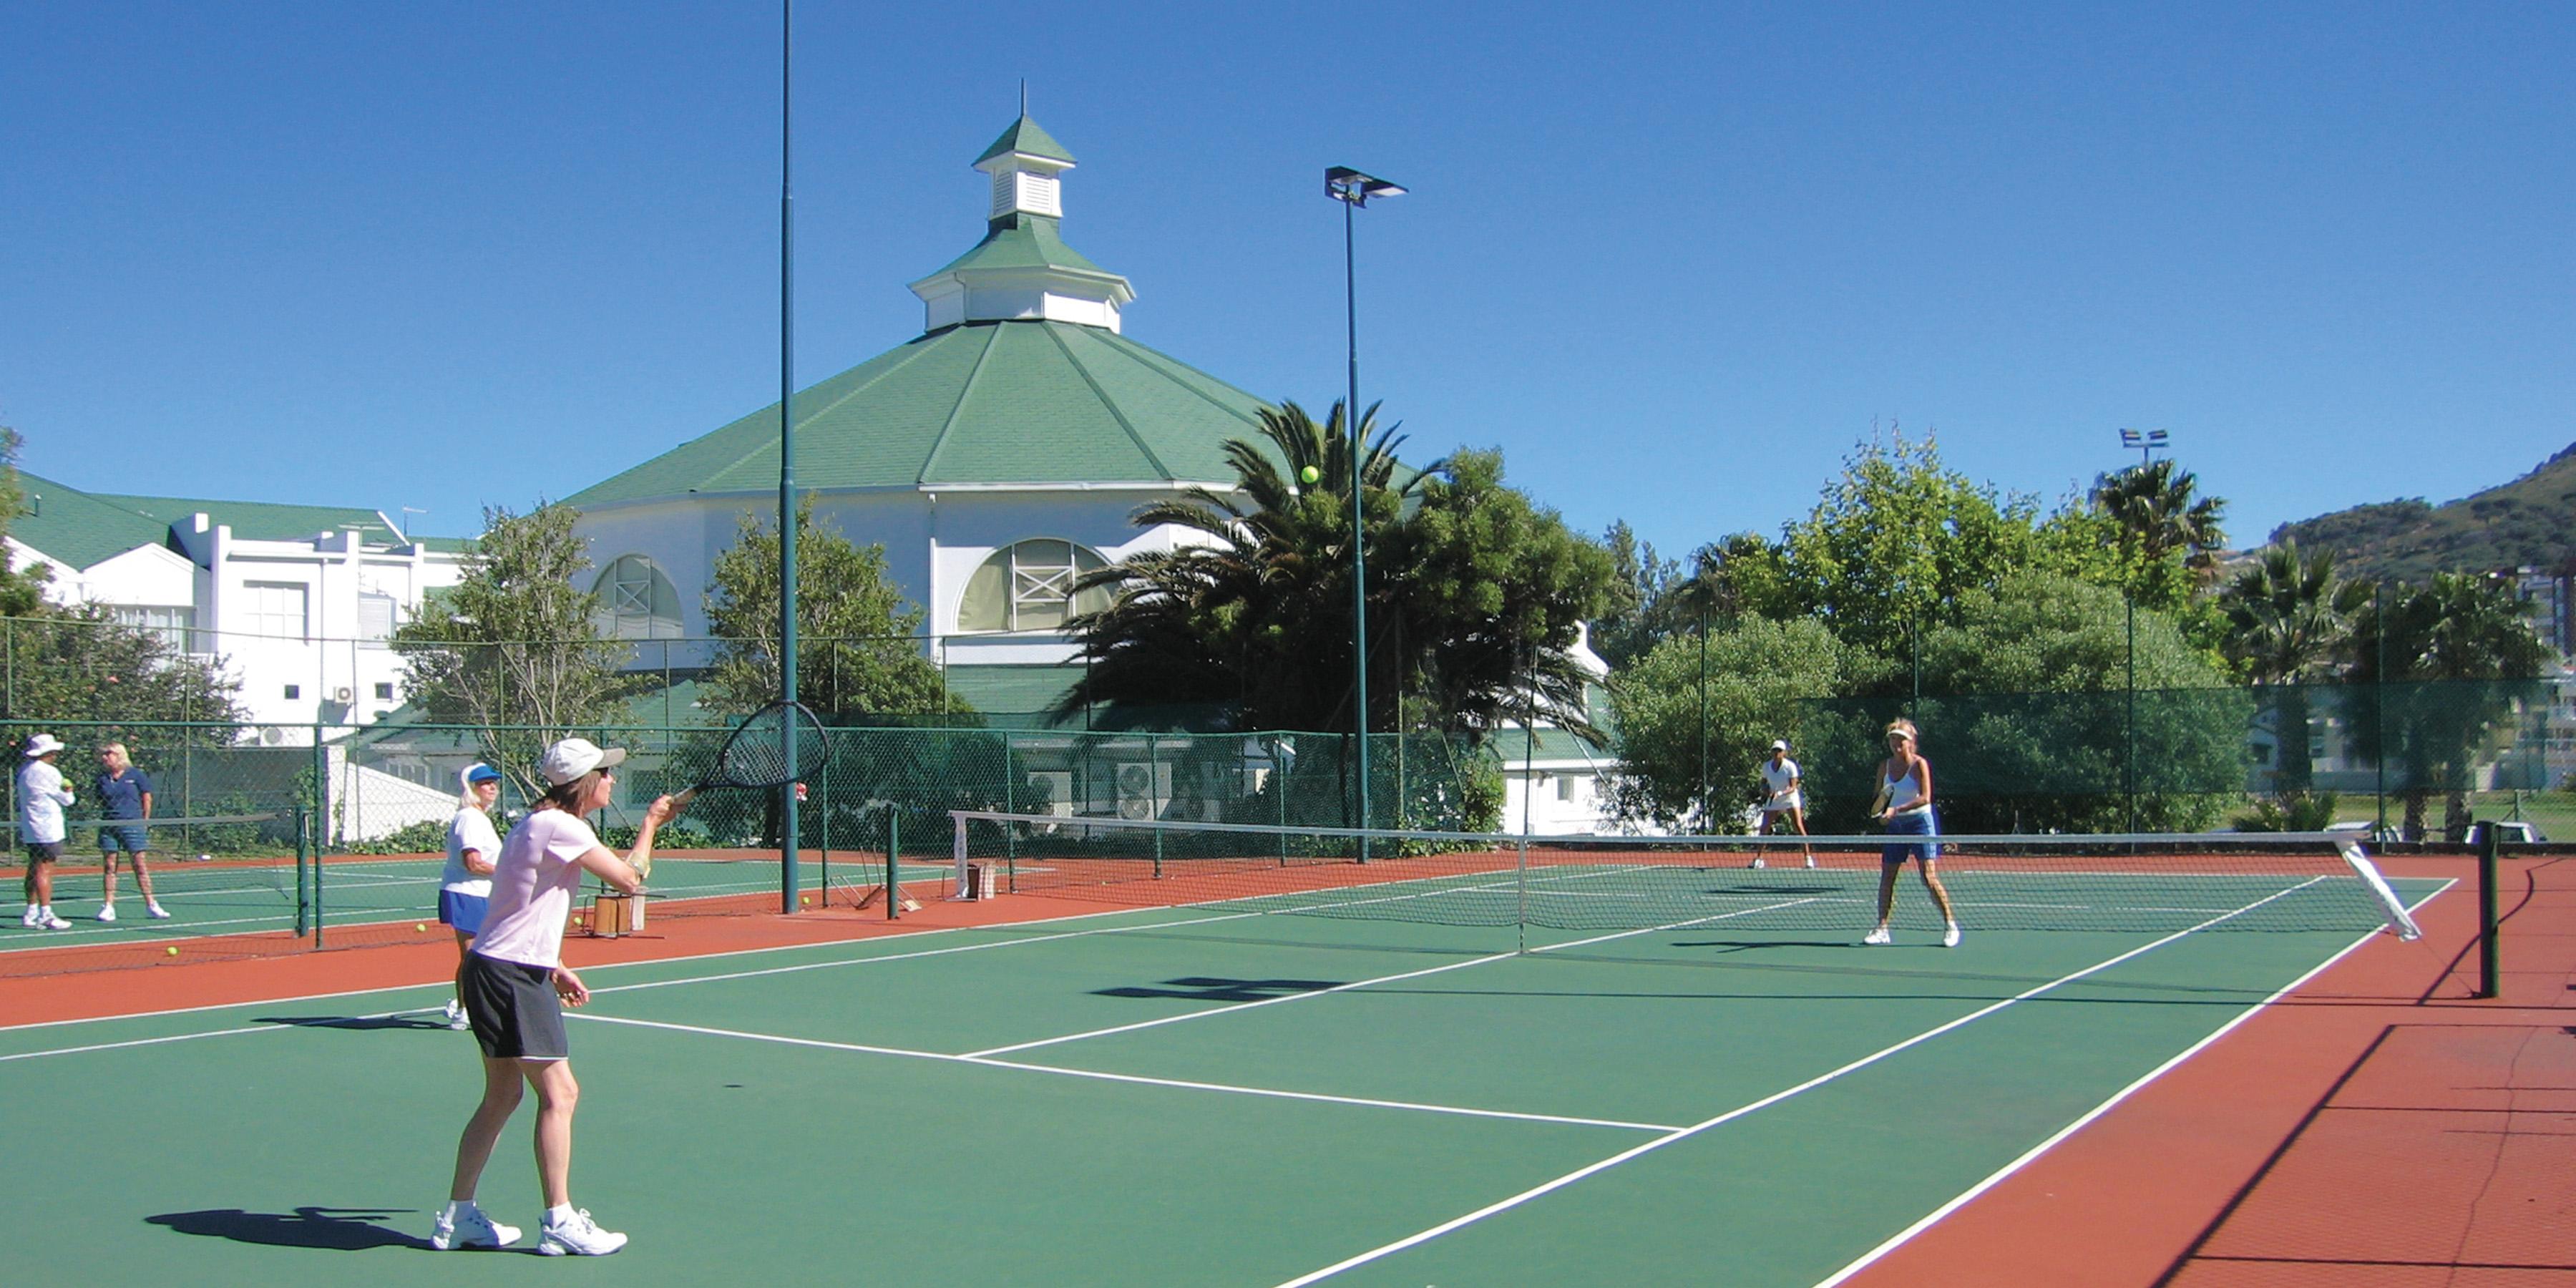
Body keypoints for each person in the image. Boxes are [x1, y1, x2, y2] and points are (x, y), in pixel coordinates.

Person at [434, 737, 678, 1256]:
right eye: (606, 773)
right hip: (510, 975)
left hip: (495, 966)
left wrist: (555, 965)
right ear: (586, 782)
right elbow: (630, 881)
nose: (613, 780)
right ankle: (559, 1221)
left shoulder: (533, 823)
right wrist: (653, 822)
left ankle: (457, 1216)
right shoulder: (563, 827)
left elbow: (514, 907)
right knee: (560, 1094)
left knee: (502, 1097)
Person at [1863, 718, 1961, 948]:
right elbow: (1880, 798)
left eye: (1902, 739)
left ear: (1912, 742)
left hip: (1920, 823)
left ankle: (1950, 925)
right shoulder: (1883, 767)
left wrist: (1896, 809)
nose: (1897, 743)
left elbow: (1926, 797)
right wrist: (1883, 814)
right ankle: (1882, 928)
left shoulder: (1919, 765)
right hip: (1896, 827)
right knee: (1888, 877)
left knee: (1928, 877)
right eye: (1893, 738)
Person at [438, 763, 507, 1031]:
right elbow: (474, 863)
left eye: (494, 783)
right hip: (466, 894)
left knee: (485, 955)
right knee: (473, 957)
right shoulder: (469, 818)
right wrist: (509, 873)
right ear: (472, 788)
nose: (492, 788)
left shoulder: (480, 818)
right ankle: (465, 1011)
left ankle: (467, 1004)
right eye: (485, 784)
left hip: (483, 894)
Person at [93, 742, 170, 922]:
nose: (105, 757)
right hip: (109, 825)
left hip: (133, 825)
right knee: (110, 866)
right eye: (103, 754)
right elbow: (100, 799)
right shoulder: (102, 778)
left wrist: (144, 822)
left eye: (109, 753)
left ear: (119, 755)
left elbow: (147, 798)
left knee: (139, 865)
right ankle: (108, 906)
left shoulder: (136, 775)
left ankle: (152, 904)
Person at [17, 734, 75, 930]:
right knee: (45, 869)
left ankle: (31, 912)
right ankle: (46, 915)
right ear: (48, 752)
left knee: (33, 867)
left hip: (31, 828)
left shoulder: (24, 771)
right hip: (48, 829)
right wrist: (69, 791)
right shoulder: (50, 772)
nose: (56, 754)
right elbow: (67, 800)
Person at [1748, 739, 1815, 869]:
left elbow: (1793, 787)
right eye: (1774, 750)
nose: (1776, 753)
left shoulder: (1790, 766)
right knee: (1765, 827)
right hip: (1774, 800)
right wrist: (1767, 791)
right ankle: (1759, 859)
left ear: (1784, 753)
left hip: (1790, 798)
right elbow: (1763, 782)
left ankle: (1808, 858)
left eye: (1779, 751)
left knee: (1798, 826)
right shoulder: (1767, 766)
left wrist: (1780, 793)